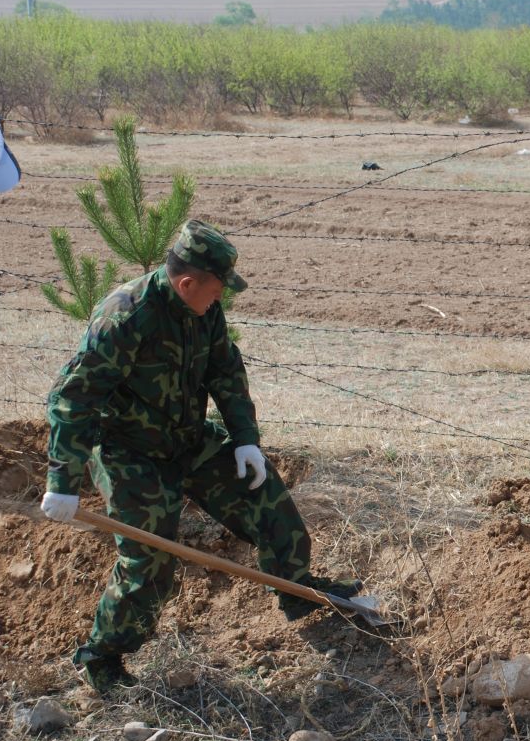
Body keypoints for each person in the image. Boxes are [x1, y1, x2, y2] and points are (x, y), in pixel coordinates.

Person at [41, 219, 362, 693]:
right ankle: (102, 658)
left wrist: (245, 438)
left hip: (188, 438)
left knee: (265, 497)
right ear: (187, 282)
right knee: (149, 558)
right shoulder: (125, 318)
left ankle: (297, 591)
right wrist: (63, 481)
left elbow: (225, 369)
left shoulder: (203, 311)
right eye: (216, 289)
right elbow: (73, 398)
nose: (220, 297)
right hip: (129, 452)